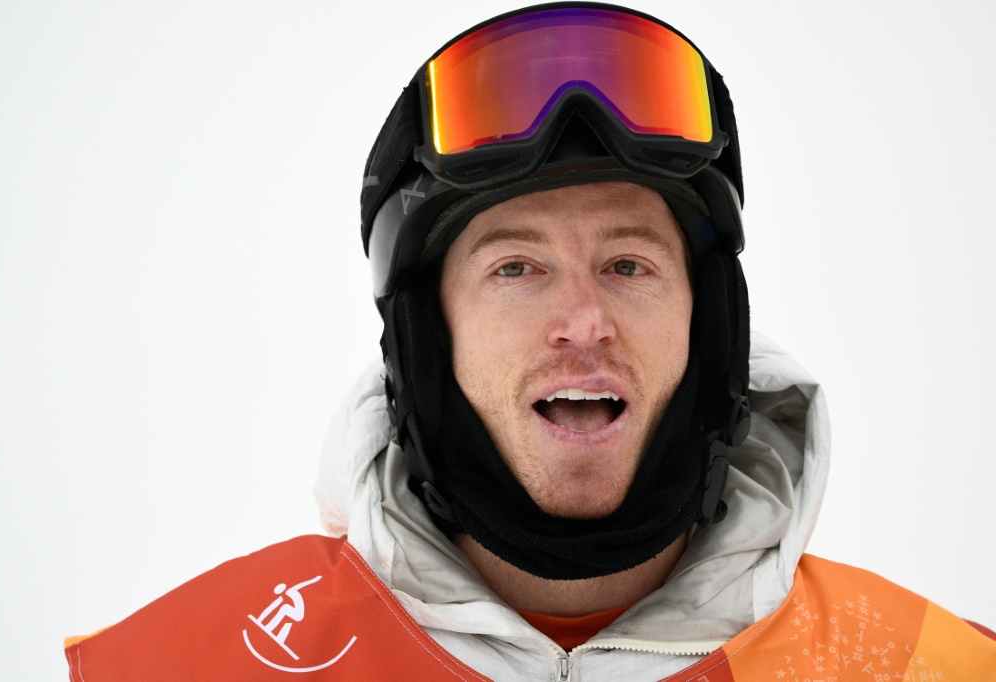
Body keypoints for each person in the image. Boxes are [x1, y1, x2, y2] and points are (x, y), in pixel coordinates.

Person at [64, 4, 996, 680]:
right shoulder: (179, 665)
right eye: (516, 268)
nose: (584, 321)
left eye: (629, 264)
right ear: (430, 335)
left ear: (708, 323)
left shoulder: (925, 666)